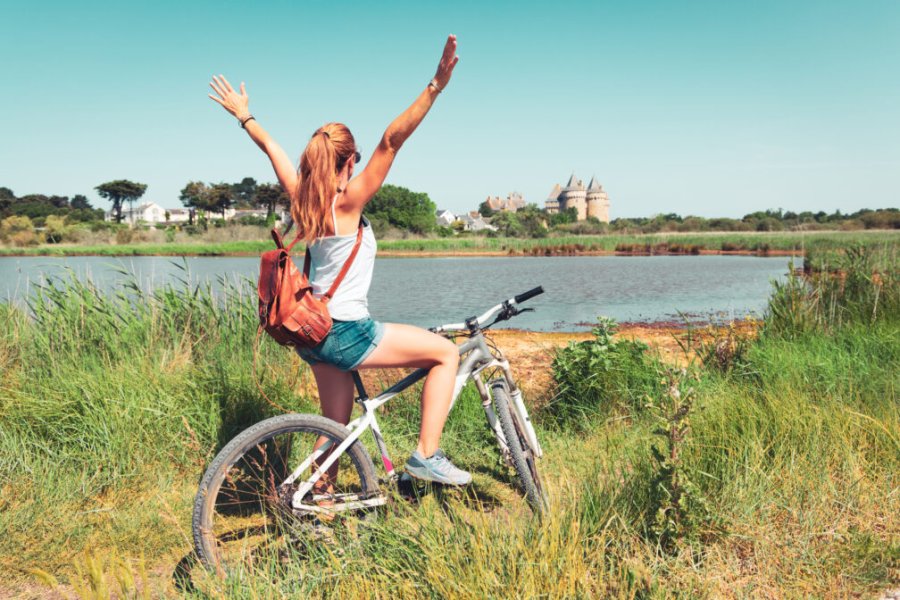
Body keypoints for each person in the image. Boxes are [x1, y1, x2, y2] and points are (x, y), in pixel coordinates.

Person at [208, 35, 470, 486]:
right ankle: (426, 455)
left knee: (335, 431)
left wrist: (244, 114)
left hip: (312, 332)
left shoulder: (302, 198)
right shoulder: (346, 204)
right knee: (446, 354)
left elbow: (271, 146)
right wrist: (436, 85)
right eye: (358, 161)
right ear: (348, 162)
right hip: (346, 330)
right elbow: (392, 139)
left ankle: (313, 502)